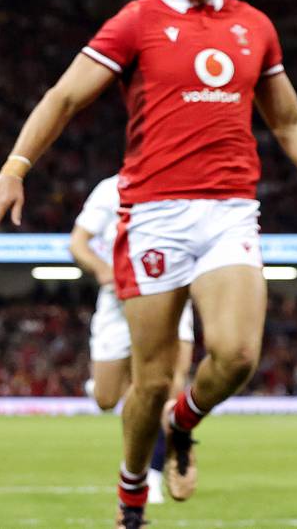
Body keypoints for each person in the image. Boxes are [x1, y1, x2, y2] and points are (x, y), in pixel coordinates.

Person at [0, 0, 297, 528]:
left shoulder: (255, 26)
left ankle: (185, 420)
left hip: (229, 212)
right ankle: (132, 492)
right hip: (153, 216)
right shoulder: (136, 21)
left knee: (238, 356)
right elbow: (64, 96)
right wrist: (15, 166)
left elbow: (291, 121)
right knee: (148, 380)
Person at [71, 175, 196, 503]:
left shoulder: (184, 181)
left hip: (168, 293)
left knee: (169, 387)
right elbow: (78, 243)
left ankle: (152, 470)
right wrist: (102, 270)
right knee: (107, 398)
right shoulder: (111, 188)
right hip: (118, 301)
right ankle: (149, 439)